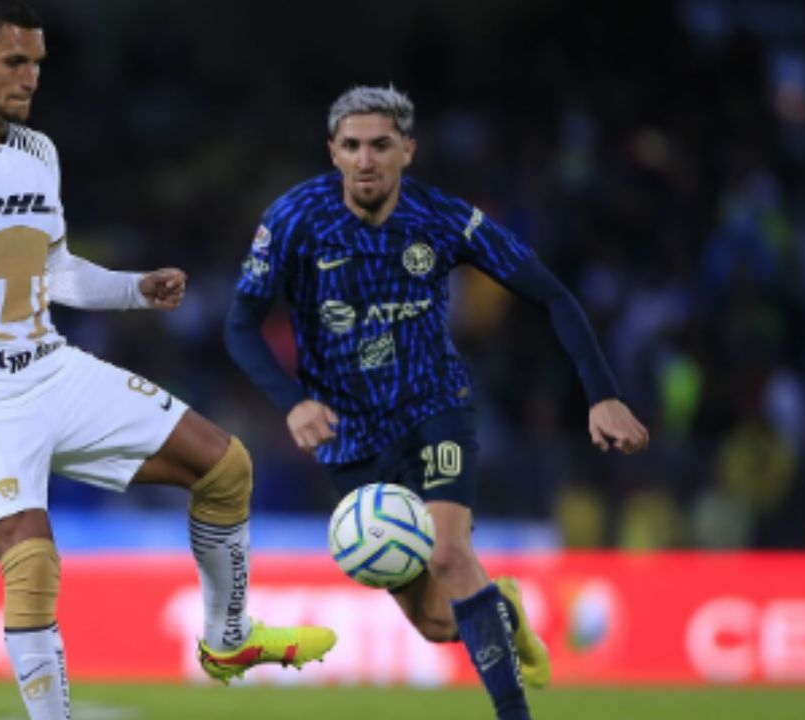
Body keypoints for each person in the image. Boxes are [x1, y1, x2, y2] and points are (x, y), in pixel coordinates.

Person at [0, 2, 336, 717]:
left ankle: (227, 640)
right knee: (33, 562)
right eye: (15, 61)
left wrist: (135, 290)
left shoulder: (38, 153)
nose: (31, 77)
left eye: (38, 62)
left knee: (226, 466)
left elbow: (56, 272)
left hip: (50, 368)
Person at [224, 86, 650, 720]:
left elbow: (553, 295)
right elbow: (239, 323)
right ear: (333, 153)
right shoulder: (293, 219)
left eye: (381, 145)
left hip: (433, 407)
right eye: (352, 146)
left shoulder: (444, 218)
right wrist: (292, 403)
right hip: (348, 436)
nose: (366, 160)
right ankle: (501, 609)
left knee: (449, 555)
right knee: (435, 622)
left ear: (408, 151)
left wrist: (603, 395)